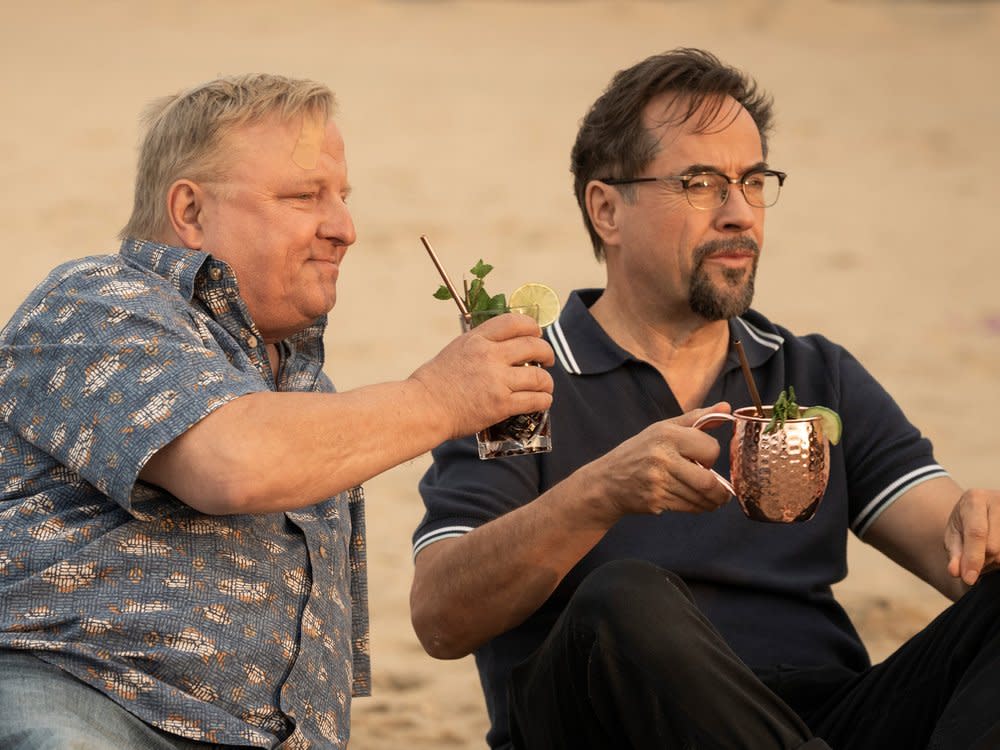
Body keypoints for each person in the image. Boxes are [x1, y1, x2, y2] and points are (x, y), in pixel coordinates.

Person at [410, 48, 1000, 749]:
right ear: (607, 210)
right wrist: (599, 494)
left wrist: (980, 527)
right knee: (626, 598)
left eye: (754, 182)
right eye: (701, 183)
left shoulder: (813, 376)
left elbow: (960, 554)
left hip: (824, 718)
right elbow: (441, 614)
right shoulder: (519, 381)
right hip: (613, 726)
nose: (739, 214)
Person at [0, 74, 554, 749]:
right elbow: (230, 463)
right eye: (303, 196)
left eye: (343, 197)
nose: (344, 228)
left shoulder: (307, 397)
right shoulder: (93, 302)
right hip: (87, 703)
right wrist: (440, 397)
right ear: (191, 212)